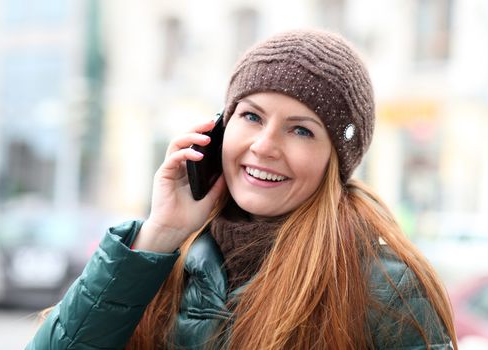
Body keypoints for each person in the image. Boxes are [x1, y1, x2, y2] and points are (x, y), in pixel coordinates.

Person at [26, 29, 457, 349]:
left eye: (302, 131)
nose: (264, 146)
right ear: (219, 127)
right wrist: (159, 236)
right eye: (251, 116)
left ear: (335, 162)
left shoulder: (384, 289)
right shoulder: (163, 261)